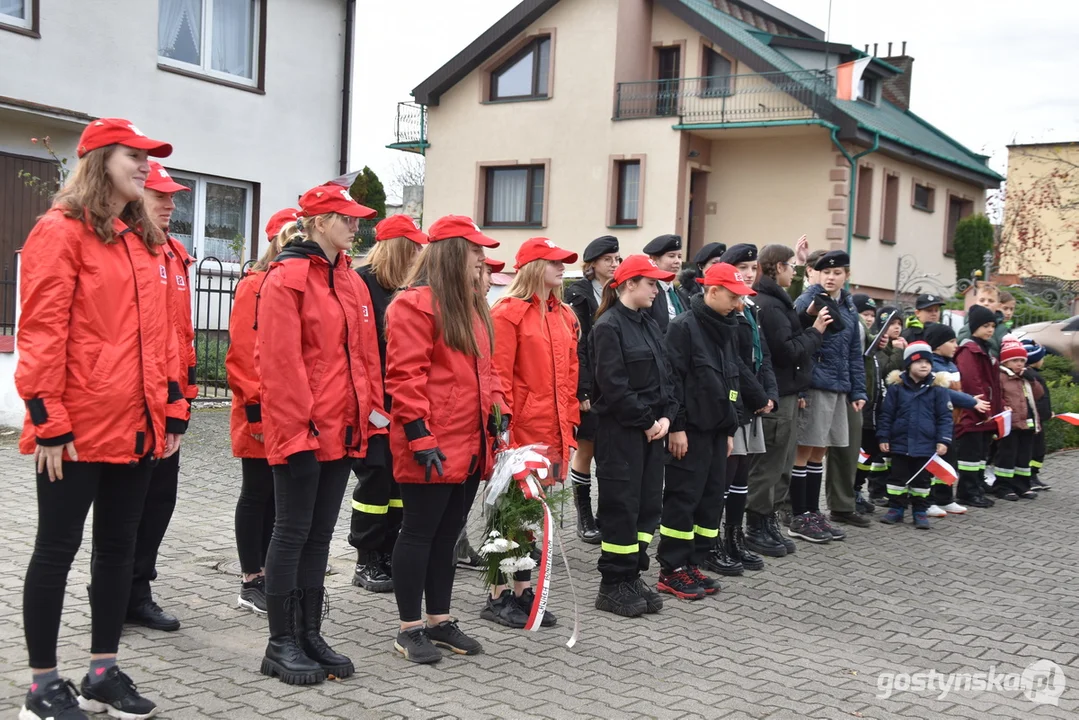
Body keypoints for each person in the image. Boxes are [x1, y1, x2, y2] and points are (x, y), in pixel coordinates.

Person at [16, 118, 181, 720]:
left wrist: (167, 414)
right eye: (133, 155)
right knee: (55, 551)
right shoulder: (58, 233)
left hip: (135, 429)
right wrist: (47, 421)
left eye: (147, 157)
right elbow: (40, 333)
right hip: (75, 433)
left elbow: (158, 341)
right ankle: (42, 685)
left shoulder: (139, 240)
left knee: (117, 550)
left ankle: (102, 672)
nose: (144, 166)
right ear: (97, 160)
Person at [256, 185, 386, 685]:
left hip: (343, 430)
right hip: (303, 433)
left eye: (356, 219)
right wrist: (296, 435)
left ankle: (309, 633)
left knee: (318, 537)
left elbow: (366, 358)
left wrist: (373, 421)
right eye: (345, 218)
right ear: (316, 222)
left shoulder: (349, 278)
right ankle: (280, 642)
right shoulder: (286, 278)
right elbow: (281, 367)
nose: (355, 226)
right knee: (291, 532)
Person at [385, 215, 508, 664]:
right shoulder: (413, 305)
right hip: (433, 443)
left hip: (470, 442)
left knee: (447, 536)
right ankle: (408, 628)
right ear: (453, 253)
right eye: (475, 251)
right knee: (418, 534)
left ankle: (439, 620)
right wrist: (419, 437)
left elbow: (487, 371)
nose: (481, 259)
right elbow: (405, 377)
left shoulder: (471, 307)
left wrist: (500, 413)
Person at [482, 237, 580, 628]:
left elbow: (570, 377)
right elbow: (498, 377)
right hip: (521, 433)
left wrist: (569, 426)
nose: (561, 268)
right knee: (506, 515)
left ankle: (522, 592)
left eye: (562, 262)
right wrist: (503, 434)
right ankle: (496, 594)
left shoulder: (564, 315)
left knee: (530, 518)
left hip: (551, 431)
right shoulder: (508, 313)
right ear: (532, 267)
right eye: (553, 262)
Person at [119, 161, 197, 634]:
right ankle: (115, 593)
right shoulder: (127, 250)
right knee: (126, 508)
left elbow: (180, 337)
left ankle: (137, 590)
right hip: (134, 403)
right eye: (159, 195)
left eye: (172, 197)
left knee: (159, 502)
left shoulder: (174, 253)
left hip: (170, 401)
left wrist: (181, 403)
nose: (170, 204)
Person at [657, 263, 751, 599]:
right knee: (684, 498)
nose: (738, 304)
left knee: (710, 499)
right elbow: (672, 381)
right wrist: (677, 426)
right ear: (712, 291)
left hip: (716, 432)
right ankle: (672, 569)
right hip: (690, 432)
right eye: (732, 296)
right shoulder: (683, 327)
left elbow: (732, 380)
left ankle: (694, 561)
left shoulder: (726, 327)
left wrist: (729, 428)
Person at [591, 255, 678, 617]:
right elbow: (614, 387)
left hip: (651, 433)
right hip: (622, 434)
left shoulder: (647, 324)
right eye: (650, 284)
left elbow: (667, 378)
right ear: (629, 284)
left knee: (647, 508)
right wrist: (646, 421)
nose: (656, 291)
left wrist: (667, 418)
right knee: (621, 508)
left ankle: (632, 573)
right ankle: (612, 584)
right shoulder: (608, 327)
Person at [349, 215, 428, 593]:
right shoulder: (361, 284)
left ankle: (388, 552)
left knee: (399, 482)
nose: (418, 253)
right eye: (412, 246)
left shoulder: (406, 288)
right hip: (370, 403)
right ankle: (366, 558)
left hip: (400, 401)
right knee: (375, 480)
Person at [226, 208, 297, 615]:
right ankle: (250, 578)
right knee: (256, 494)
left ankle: (270, 572)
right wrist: (255, 411)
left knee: (276, 497)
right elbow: (241, 355)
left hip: (283, 411)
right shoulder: (254, 286)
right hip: (258, 410)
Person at [747, 244, 829, 556]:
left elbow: (789, 336)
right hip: (778, 395)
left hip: (788, 394)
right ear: (778, 267)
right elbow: (787, 351)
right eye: (791, 266)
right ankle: (756, 525)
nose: (793, 271)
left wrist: (806, 321)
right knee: (769, 466)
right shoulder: (769, 304)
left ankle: (766, 521)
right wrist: (816, 331)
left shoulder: (776, 301)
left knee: (781, 464)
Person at [791, 251, 868, 543]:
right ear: (816, 274)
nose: (831, 277)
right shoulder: (808, 301)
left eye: (837, 273)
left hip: (839, 387)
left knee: (820, 449)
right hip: (814, 384)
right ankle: (799, 515)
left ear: (846, 275)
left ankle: (813, 513)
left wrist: (858, 390)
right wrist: (799, 388)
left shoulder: (848, 305)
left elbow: (853, 354)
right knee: (805, 448)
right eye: (826, 272)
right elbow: (796, 345)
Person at [716, 244, 778, 567]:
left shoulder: (751, 309)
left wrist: (770, 393)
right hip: (737, 402)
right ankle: (716, 539)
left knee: (742, 474)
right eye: (744, 268)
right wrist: (757, 396)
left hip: (753, 402)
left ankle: (734, 536)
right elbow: (736, 362)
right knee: (727, 473)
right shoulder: (729, 311)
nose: (751, 274)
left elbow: (762, 355)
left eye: (754, 267)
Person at [564, 235, 620, 544]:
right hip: (590, 385)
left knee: (609, 451)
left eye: (616, 259)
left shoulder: (618, 289)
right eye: (608, 259)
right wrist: (582, 391)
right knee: (586, 448)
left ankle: (603, 514)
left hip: (612, 383)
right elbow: (579, 346)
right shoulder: (580, 293)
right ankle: (583, 516)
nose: (614, 264)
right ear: (593, 264)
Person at [876, 342, 954, 529]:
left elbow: (944, 417)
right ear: (909, 364)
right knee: (897, 478)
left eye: (928, 361)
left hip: (926, 445)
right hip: (900, 442)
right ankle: (896, 508)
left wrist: (943, 440)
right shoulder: (897, 388)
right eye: (919, 361)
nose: (924, 365)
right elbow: (886, 415)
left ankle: (920, 510)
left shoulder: (938, 390)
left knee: (922, 480)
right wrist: (884, 437)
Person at [925, 322, 989, 517]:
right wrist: (970, 401)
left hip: (950, 421)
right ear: (937, 345)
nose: (955, 345)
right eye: (951, 341)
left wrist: (967, 399)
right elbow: (943, 393)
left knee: (949, 460)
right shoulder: (933, 365)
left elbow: (956, 391)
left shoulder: (951, 364)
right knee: (933, 462)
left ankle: (945, 498)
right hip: (934, 421)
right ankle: (928, 500)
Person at [953, 305, 1002, 508]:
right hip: (974, 413)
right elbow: (973, 382)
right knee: (970, 457)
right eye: (985, 325)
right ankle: (967, 492)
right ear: (974, 327)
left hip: (985, 414)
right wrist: (984, 408)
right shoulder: (969, 350)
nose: (990, 330)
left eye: (992, 326)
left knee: (980, 456)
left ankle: (977, 488)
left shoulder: (985, 348)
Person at [857, 306, 905, 512]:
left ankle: (857, 490)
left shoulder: (887, 347)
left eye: (898, 324)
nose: (895, 328)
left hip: (878, 413)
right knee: (861, 456)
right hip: (865, 412)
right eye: (891, 324)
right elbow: (888, 370)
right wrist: (898, 351)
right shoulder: (876, 348)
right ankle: (856, 491)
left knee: (869, 455)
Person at [995, 338, 1042, 501]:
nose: (1019, 364)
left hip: (1027, 423)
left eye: (1022, 360)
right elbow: (996, 397)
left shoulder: (1025, 376)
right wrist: (1002, 407)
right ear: (1006, 362)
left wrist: (1032, 380)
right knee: (1007, 455)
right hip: (1010, 425)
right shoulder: (1001, 377)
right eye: (1015, 360)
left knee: (1024, 456)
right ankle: (1003, 486)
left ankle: (1022, 485)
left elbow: (1038, 395)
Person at [1021, 339, 1051, 491]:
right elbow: (1035, 400)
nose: (1043, 360)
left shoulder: (1034, 375)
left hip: (1039, 419)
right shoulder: (1032, 377)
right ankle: (1029, 477)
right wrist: (1044, 413)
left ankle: (1033, 475)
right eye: (1042, 357)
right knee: (1034, 448)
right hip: (1034, 420)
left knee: (1039, 449)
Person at [642, 234, 685, 332]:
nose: (677, 261)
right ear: (654, 259)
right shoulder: (648, 294)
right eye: (671, 256)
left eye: (679, 256)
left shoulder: (680, 294)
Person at [957, 282, 1009, 357]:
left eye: (991, 301)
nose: (986, 303)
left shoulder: (1002, 329)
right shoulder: (969, 324)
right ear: (976, 302)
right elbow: (960, 345)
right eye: (982, 300)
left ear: (998, 305)